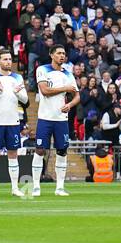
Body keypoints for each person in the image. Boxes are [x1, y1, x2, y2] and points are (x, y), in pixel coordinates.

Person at [32, 43, 79, 198]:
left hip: (61, 119)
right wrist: (64, 89)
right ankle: (36, 186)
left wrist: (70, 104)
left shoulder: (68, 74)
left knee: (62, 151)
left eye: (63, 53)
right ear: (51, 55)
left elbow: (77, 95)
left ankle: (59, 187)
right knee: (40, 150)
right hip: (45, 118)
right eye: (58, 53)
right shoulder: (42, 69)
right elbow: (45, 91)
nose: (62, 56)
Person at [0, 49, 28, 198]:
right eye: (5, 59)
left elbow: (26, 100)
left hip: (13, 122)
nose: (9, 62)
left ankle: (15, 188)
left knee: (13, 154)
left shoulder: (18, 78)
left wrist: (16, 92)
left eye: (10, 59)